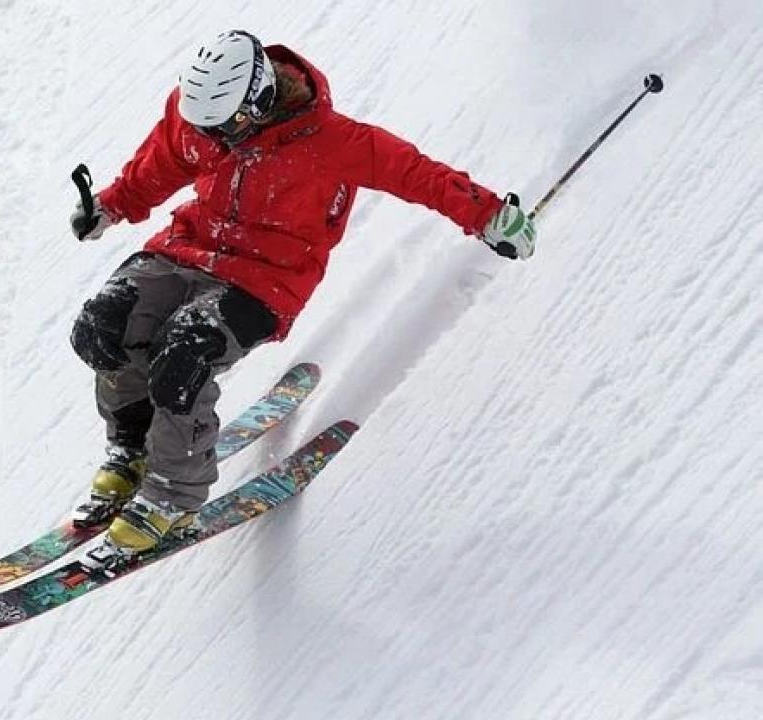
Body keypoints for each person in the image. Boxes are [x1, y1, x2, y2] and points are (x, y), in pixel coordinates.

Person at [68, 30, 536, 555]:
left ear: (260, 98)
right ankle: (133, 446)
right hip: (186, 248)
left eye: (227, 127)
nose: (217, 139)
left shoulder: (334, 142)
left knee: (183, 353)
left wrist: (490, 214)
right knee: (102, 325)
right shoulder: (201, 113)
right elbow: (165, 160)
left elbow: (418, 175)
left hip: (264, 279)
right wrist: (110, 206)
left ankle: (173, 494)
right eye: (207, 128)